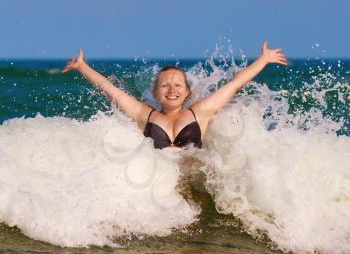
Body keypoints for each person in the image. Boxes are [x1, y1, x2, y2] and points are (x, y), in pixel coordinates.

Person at [62, 41, 287, 149]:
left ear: (187, 92)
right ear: (155, 92)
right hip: (160, 185)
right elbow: (111, 90)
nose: (172, 90)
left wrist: (263, 60)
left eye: (178, 85)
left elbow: (234, 85)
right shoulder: (144, 114)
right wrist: (81, 66)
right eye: (165, 86)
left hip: (193, 185)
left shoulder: (199, 112)